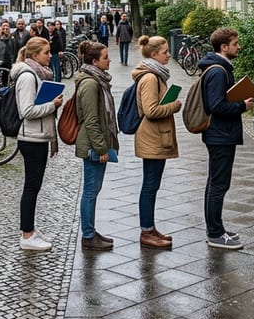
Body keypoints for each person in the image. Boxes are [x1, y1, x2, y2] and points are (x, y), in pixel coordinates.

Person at [198, 27, 254, 250]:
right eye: (235, 43)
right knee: (218, 185)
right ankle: (214, 233)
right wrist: (243, 105)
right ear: (224, 47)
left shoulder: (219, 69)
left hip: (220, 134)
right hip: (220, 134)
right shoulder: (218, 71)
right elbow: (216, 105)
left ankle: (217, 228)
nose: (238, 46)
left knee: (216, 183)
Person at [11, 37, 63, 251]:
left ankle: (30, 228)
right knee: (31, 187)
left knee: (34, 186)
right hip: (31, 137)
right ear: (34, 56)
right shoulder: (27, 77)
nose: (50, 56)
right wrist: (52, 104)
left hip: (38, 136)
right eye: (46, 52)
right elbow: (27, 111)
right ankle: (27, 234)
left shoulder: (37, 74)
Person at [131, 35, 182, 249]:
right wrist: (174, 105)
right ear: (153, 55)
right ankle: (146, 231)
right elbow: (151, 110)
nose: (169, 55)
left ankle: (150, 228)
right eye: (165, 52)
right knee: (150, 186)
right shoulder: (150, 78)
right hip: (152, 137)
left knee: (153, 184)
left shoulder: (155, 75)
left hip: (156, 135)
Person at [75, 41, 119, 251]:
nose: (109, 59)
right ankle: (88, 235)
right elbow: (91, 120)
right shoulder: (91, 84)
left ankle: (91, 231)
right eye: (105, 57)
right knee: (91, 190)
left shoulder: (97, 81)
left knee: (94, 189)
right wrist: (101, 148)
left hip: (96, 142)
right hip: (93, 145)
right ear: (94, 61)